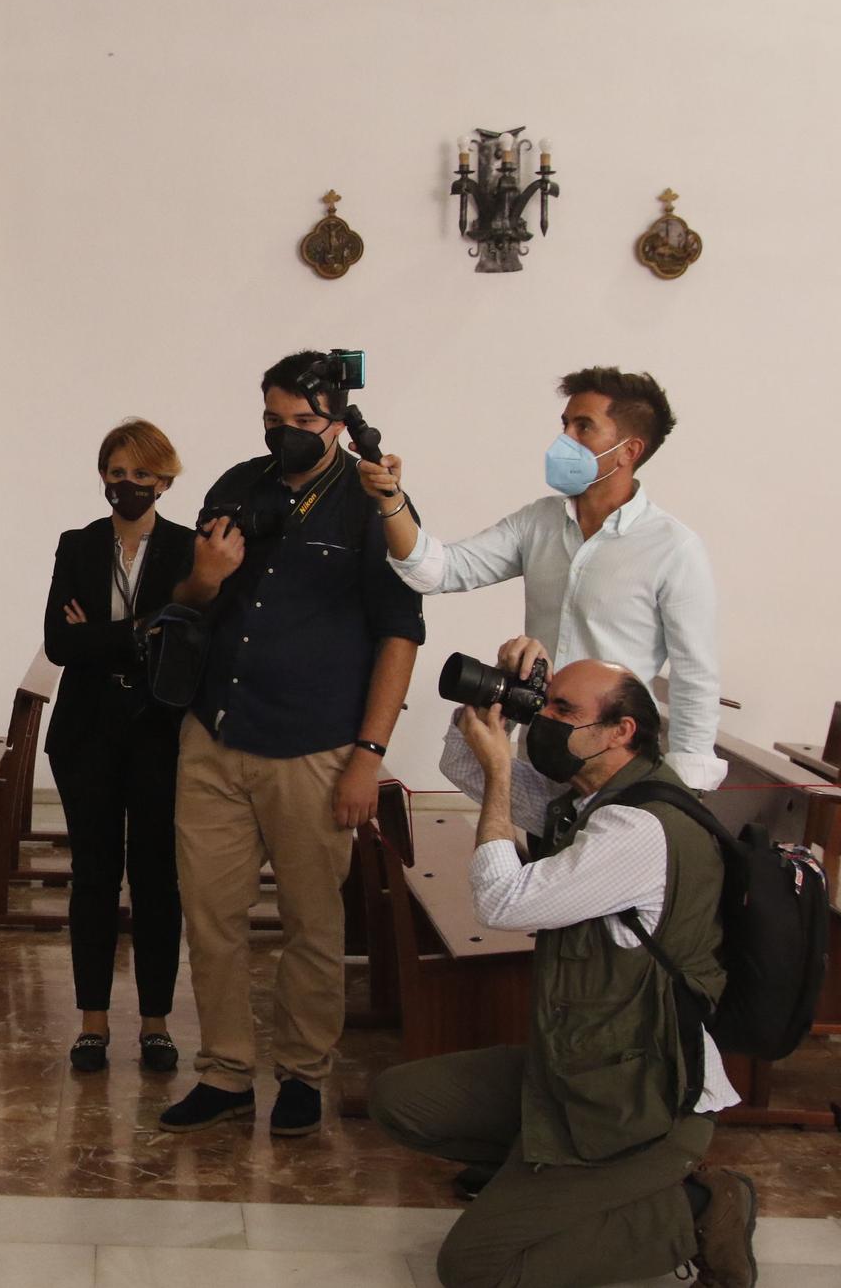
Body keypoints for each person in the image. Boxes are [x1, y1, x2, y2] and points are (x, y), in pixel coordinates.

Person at [370, 645, 758, 1288]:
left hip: (643, 1105)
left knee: (476, 1269)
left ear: (619, 732)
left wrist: (500, 776)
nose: (543, 719)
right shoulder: (589, 797)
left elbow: (502, 901)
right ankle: (545, 1176)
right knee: (400, 1102)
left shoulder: (639, 829)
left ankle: (697, 1211)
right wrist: (489, 705)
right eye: (542, 704)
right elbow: (462, 765)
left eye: (560, 710)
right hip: (577, 1075)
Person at [158, 351, 423, 1137]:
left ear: (338, 421)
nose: (285, 436)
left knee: (313, 923)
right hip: (217, 734)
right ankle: (227, 1071)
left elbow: (401, 633)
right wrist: (203, 578)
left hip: (317, 749)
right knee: (210, 917)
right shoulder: (238, 485)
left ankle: (305, 1073)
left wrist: (368, 755)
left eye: (302, 424)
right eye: (273, 421)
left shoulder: (373, 502)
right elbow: (189, 605)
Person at [358, 367, 724, 789]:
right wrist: (390, 499)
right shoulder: (540, 522)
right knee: (536, 854)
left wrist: (685, 788)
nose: (565, 438)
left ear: (629, 450)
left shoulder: (673, 548)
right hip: (542, 754)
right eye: (565, 424)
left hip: (616, 766)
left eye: (584, 426)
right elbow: (436, 570)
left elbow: (694, 675)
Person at [43, 419, 192, 1074]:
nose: (126, 484)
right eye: (115, 471)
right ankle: (93, 1021)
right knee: (94, 876)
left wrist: (104, 632)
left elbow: (187, 639)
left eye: (140, 474)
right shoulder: (77, 544)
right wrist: (138, 633)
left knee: (158, 877)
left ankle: (156, 1021)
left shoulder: (188, 550)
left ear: (164, 480)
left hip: (161, 733)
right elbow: (58, 642)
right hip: (86, 734)